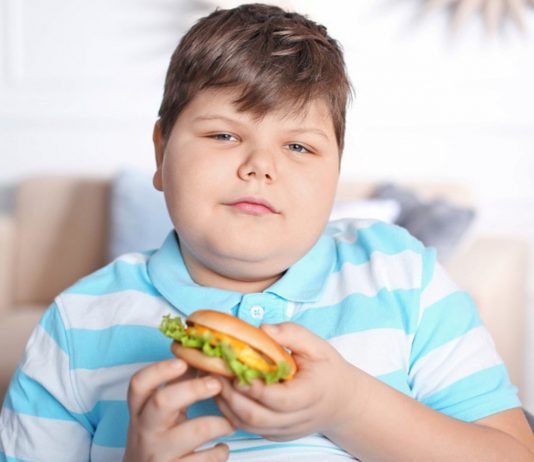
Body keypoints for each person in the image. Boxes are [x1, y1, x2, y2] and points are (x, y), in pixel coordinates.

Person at [1, 3, 533, 461]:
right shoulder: (76, 324)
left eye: (298, 147)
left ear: (337, 174)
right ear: (161, 152)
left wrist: (349, 406)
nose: (260, 166)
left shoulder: (404, 277)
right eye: (224, 134)